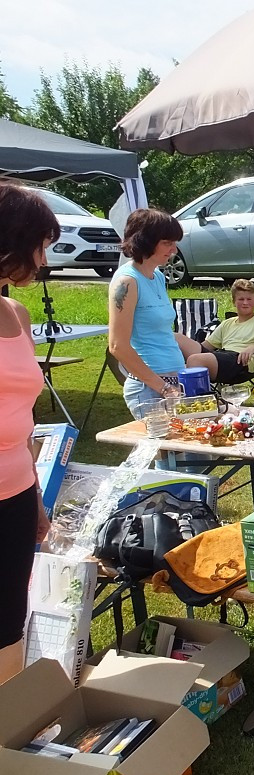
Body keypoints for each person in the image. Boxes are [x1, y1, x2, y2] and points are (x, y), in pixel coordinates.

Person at [0, 182, 60, 684]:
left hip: (17, 494)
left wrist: (36, 498)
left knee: (8, 619)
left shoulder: (17, 314)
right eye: (39, 246)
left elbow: (23, 419)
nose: (42, 261)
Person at [108, 208, 190, 416]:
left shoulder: (158, 276)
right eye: (167, 243)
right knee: (161, 447)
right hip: (149, 388)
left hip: (174, 380)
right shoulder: (127, 282)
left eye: (174, 243)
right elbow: (117, 346)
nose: (173, 250)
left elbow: (160, 331)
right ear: (145, 240)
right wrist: (162, 387)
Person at [184, 279, 254, 383]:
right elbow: (206, 346)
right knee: (176, 338)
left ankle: (198, 397)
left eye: (249, 299)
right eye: (241, 299)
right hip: (223, 357)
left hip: (240, 362)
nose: (245, 303)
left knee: (195, 360)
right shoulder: (227, 323)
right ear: (234, 302)